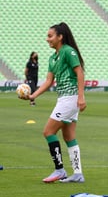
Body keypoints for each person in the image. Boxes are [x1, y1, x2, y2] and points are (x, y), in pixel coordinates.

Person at [25, 22, 86, 183]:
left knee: (48, 132)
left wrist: (81, 97)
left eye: (50, 36)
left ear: (60, 37)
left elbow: (79, 72)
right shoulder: (53, 58)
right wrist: (33, 96)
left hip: (70, 98)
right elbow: (48, 81)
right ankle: (78, 174)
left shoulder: (68, 51)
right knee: (69, 136)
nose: (47, 39)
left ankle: (60, 170)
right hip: (65, 99)